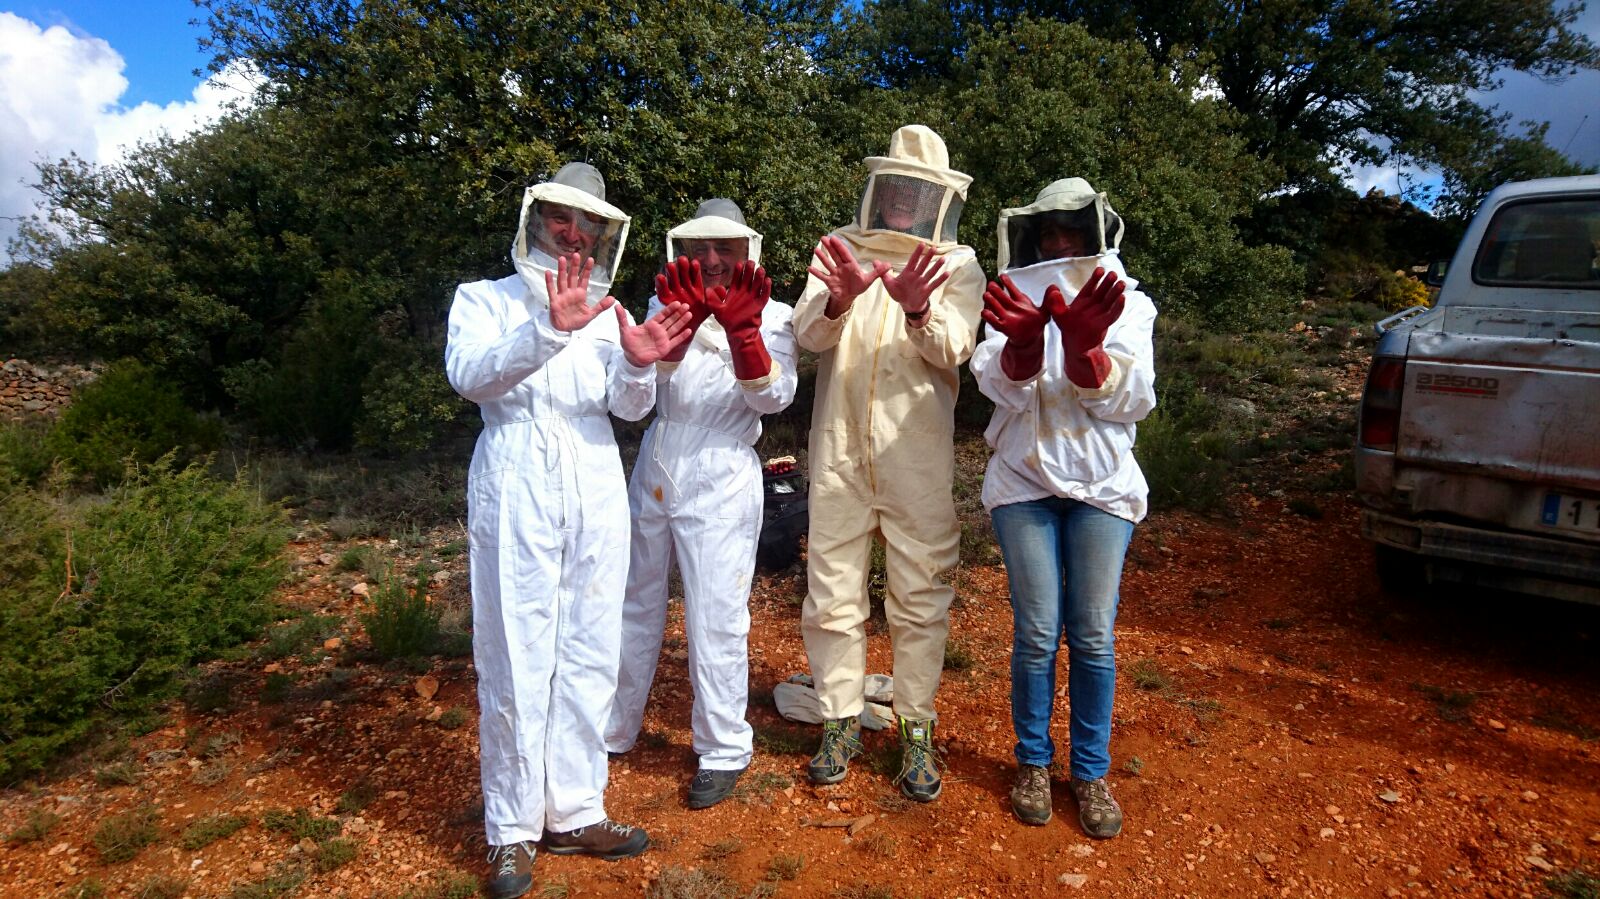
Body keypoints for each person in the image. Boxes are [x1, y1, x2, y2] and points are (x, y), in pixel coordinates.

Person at [445, 163, 694, 899]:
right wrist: (547, 330)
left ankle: (578, 807)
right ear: (536, 217)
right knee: (516, 648)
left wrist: (644, 366)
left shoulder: (610, 311)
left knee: (590, 645)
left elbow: (624, 405)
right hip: (514, 471)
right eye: (561, 218)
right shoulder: (484, 300)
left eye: (586, 225)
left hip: (593, 474)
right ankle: (513, 829)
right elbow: (470, 373)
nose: (572, 232)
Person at [792, 125, 985, 801]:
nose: (902, 202)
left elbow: (955, 347)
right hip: (839, 451)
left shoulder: (955, 264)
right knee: (832, 588)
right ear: (880, 189)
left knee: (920, 594)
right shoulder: (839, 248)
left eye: (915, 191)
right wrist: (841, 297)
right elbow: (805, 332)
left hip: (916, 458)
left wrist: (919, 307)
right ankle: (839, 719)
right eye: (895, 188)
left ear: (936, 198)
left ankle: (916, 728)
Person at [969, 178, 1157, 839]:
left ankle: (1091, 771)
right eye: (1049, 231)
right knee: (1040, 631)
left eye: (1071, 231)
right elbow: (994, 382)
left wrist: (1086, 351)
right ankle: (1032, 762)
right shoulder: (1011, 295)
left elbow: (1135, 398)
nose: (1059, 242)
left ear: (1094, 232)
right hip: (1023, 479)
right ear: (1033, 235)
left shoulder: (1127, 302)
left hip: (1102, 484)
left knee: (1095, 634)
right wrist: (1022, 347)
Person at [605, 200, 798, 809]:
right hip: (659, 455)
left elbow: (775, 400)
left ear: (747, 253)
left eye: (725, 249)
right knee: (632, 600)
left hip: (723, 465)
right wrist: (674, 341)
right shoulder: (663, 306)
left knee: (716, 613)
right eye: (702, 249)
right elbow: (633, 400)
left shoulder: (776, 316)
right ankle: (614, 727)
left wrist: (743, 332)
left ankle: (722, 747)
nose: (712, 260)